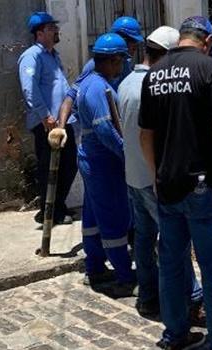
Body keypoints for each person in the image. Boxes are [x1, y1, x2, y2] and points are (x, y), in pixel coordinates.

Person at [139, 16, 212, 350]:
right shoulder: (209, 68)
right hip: (204, 186)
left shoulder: (155, 73)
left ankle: (174, 335)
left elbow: (145, 135)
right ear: (208, 41)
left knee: (172, 264)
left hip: (168, 186)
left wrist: (156, 175)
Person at [117, 26, 205, 322]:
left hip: (133, 175)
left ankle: (147, 298)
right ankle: (191, 298)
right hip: (154, 179)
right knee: (174, 243)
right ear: (166, 55)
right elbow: (154, 136)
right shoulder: (154, 85)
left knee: (143, 240)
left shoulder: (125, 82)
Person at [76, 33, 135, 296]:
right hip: (103, 162)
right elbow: (106, 131)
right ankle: (125, 275)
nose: (122, 65)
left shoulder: (89, 83)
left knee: (93, 216)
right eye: (121, 60)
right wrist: (127, 154)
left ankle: (95, 266)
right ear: (112, 60)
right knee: (113, 217)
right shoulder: (99, 89)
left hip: (92, 160)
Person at [18, 12, 77, 225]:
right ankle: (49, 211)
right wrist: (45, 116)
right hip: (47, 123)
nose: (56, 31)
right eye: (51, 28)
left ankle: (55, 206)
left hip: (62, 122)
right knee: (48, 167)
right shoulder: (31, 56)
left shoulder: (53, 56)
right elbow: (29, 88)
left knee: (69, 165)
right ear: (40, 32)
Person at [51, 16, 144, 141]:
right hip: (95, 130)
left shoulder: (125, 64)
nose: (135, 47)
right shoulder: (95, 68)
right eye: (133, 42)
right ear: (122, 38)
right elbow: (70, 96)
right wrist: (61, 128)